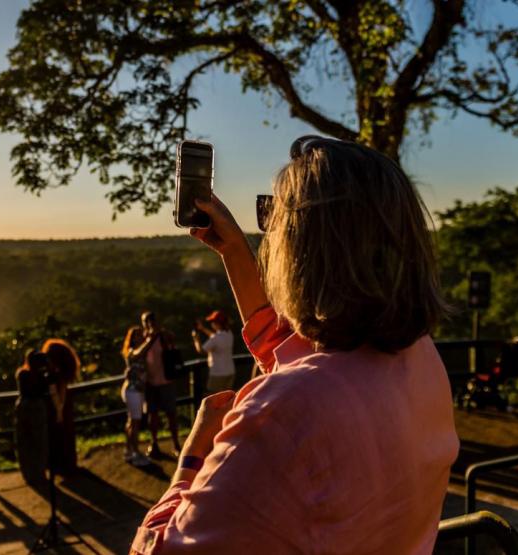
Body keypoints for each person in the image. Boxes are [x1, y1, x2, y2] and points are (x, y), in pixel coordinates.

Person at [131, 136, 458, 554]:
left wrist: (191, 458)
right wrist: (235, 252)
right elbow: (297, 355)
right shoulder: (421, 360)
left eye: (273, 216)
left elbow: (162, 550)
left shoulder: (283, 413)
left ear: (305, 246)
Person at [130, 312, 181, 459]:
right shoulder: (142, 338)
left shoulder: (163, 336)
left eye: (150, 321)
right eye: (145, 321)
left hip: (166, 381)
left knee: (171, 414)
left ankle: (176, 443)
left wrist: (160, 332)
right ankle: (154, 443)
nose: (148, 324)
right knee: (153, 415)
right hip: (150, 383)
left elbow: (173, 339)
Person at [42, 338, 80, 475]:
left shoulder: (55, 376)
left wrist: (59, 412)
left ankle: (60, 466)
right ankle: (67, 464)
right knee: (66, 436)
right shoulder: (62, 374)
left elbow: (57, 396)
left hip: (57, 408)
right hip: (64, 408)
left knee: (58, 437)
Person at [14, 351, 51, 487]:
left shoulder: (22, 374)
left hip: (23, 407)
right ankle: (39, 473)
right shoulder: (40, 376)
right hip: (36, 407)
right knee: (39, 441)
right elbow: (44, 390)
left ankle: (29, 474)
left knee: (25, 441)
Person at [120, 327, 150, 467]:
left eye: (140, 335)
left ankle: (128, 450)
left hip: (135, 391)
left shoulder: (139, 353)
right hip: (133, 391)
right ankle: (135, 452)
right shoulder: (132, 352)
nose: (139, 337)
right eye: (136, 335)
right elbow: (139, 353)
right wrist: (151, 339)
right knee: (135, 422)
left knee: (131, 422)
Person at [191, 310, 235, 394]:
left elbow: (201, 350)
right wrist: (203, 329)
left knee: (213, 398)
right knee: (227, 398)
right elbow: (214, 336)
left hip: (217, 374)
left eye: (212, 322)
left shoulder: (215, 339)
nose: (211, 324)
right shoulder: (229, 334)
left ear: (217, 323)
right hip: (230, 372)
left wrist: (195, 338)